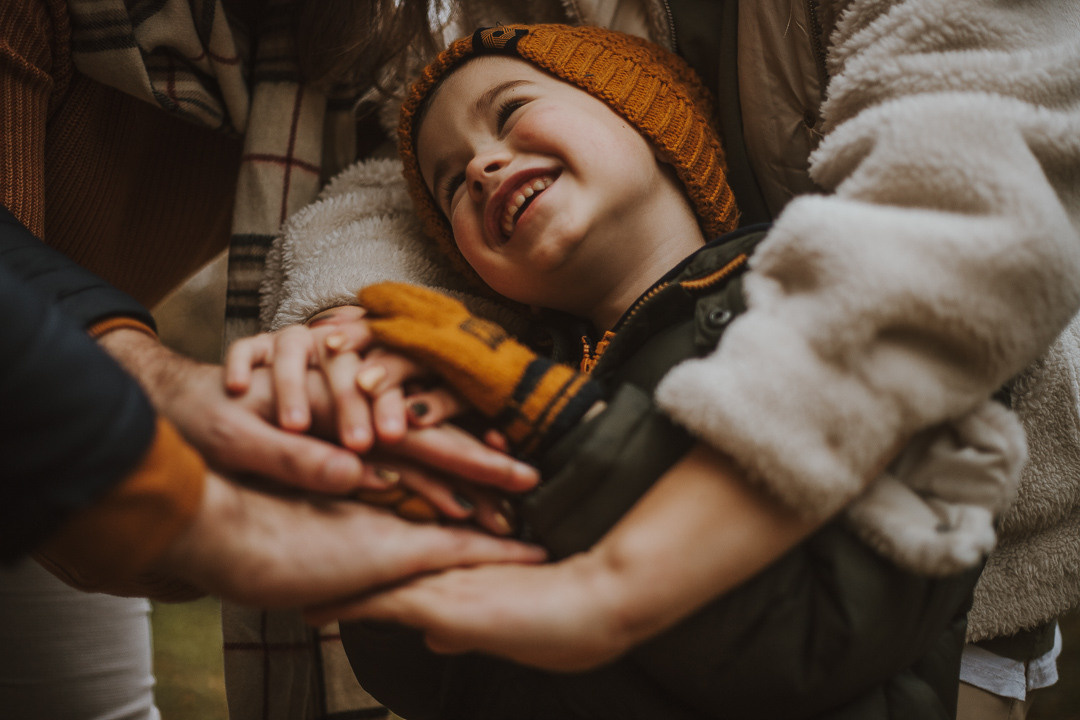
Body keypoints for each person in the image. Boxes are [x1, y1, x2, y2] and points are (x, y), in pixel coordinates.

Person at [238, 2, 1080, 718]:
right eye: (453, 182)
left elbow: (808, 638)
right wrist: (406, 517)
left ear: (651, 118)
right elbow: (443, 681)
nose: (483, 165)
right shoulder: (516, 376)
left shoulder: (797, 316)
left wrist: (568, 435)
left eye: (509, 111)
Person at [0, 1, 547, 717]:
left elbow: (381, 192)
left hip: (46, 404)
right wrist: (148, 389)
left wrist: (348, 316)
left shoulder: (355, 51)